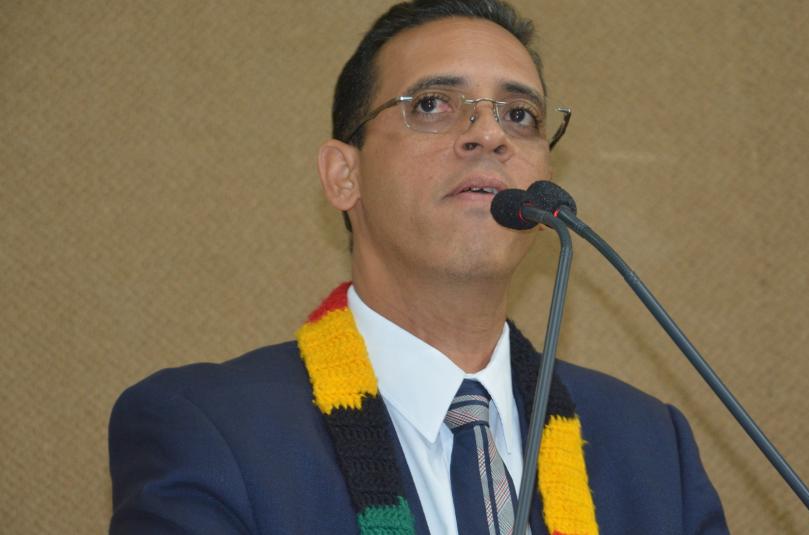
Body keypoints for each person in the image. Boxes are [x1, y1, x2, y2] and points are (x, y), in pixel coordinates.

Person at [108, 1, 729, 534]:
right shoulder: (211, 432)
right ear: (343, 175)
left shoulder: (650, 449)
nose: (489, 135)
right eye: (433, 104)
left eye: (520, 115)